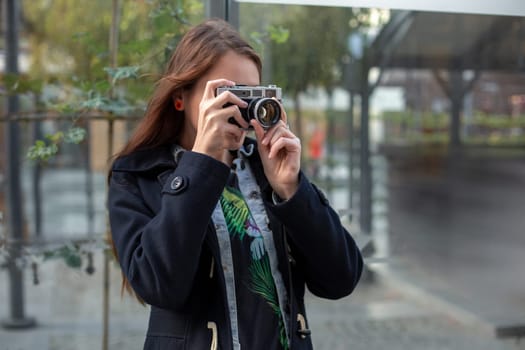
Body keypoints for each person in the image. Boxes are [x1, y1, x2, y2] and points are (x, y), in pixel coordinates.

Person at [107, 18, 363, 350]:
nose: (239, 109)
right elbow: (159, 285)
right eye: (227, 94)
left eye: (250, 95)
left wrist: (291, 190)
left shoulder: (266, 167)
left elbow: (341, 278)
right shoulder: (136, 175)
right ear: (180, 98)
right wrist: (201, 164)